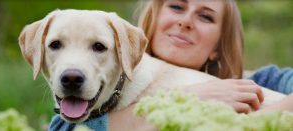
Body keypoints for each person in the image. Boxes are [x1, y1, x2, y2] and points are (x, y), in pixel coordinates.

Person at [49, 0, 293, 130]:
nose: (186, 21)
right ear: (153, 18)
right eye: (177, 6)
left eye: (205, 16)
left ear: (218, 46)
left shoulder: (263, 81)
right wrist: (192, 99)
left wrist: (261, 118)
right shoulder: (102, 94)